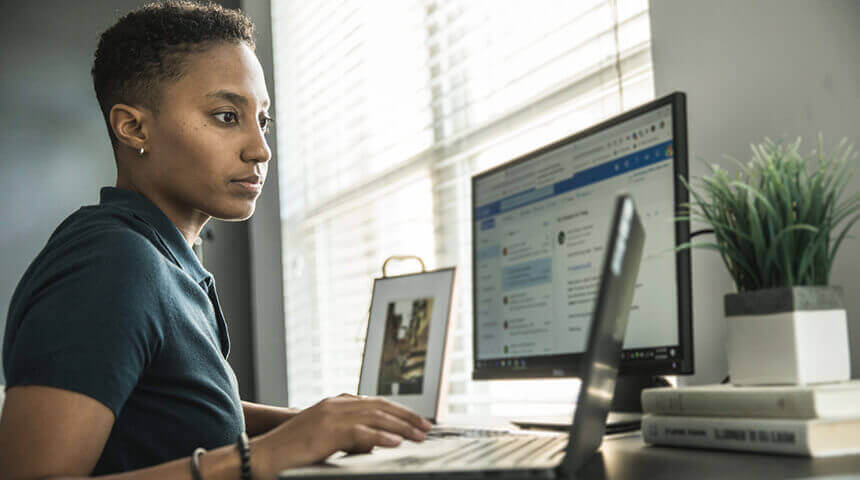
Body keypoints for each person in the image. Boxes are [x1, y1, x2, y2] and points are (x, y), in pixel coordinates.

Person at [0, 2, 430, 479]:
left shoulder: (164, 259)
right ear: (134, 127)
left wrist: (314, 423)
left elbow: (175, 408)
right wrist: (258, 458)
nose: (260, 149)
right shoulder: (111, 263)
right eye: (227, 116)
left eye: (261, 120)